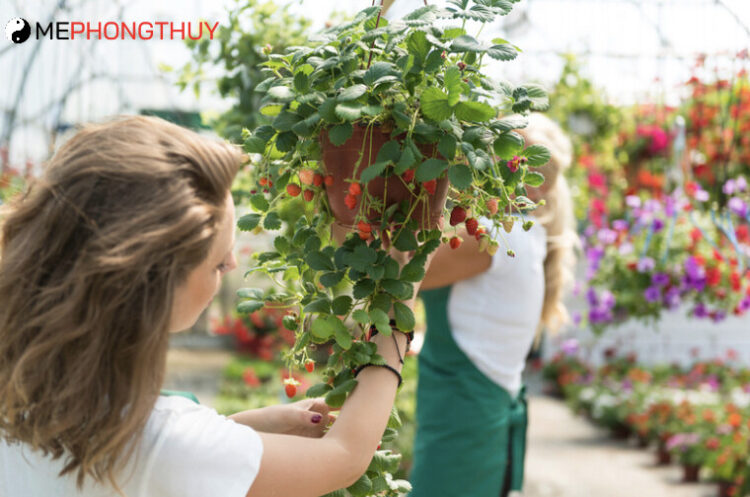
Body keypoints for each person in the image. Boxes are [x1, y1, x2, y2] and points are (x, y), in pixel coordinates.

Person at [0, 116, 433, 497]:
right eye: (217, 262)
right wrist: (398, 306)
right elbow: (345, 457)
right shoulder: (167, 445)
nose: (231, 265)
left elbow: (154, 449)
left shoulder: (28, 394)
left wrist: (237, 430)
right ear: (154, 284)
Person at [408, 113, 578, 497]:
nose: (479, 156)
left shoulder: (498, 237)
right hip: (477, 421)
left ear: (537, 183)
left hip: (463, 428)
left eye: (502, 149)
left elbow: (402, 271)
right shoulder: (522, 235)